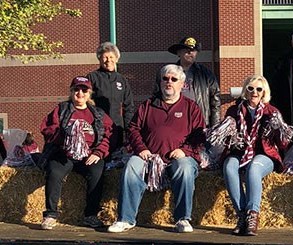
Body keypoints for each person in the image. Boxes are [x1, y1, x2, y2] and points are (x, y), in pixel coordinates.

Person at [108, 65, 205, 234]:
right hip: (149, 157)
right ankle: (125, 219)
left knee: (184, 169)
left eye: (174, 79)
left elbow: (200, 136)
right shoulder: (147, 105)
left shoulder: (191, 108)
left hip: (180, 157)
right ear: (160, 82)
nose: (169, 82)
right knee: (131, 166)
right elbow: (133, 129)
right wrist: (141, 149)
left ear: (182, 84)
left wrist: (185, 151)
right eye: (165, 78)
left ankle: (182, 219)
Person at [39, 76, 113, 230]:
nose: (80, 93)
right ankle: (51, 214)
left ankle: (90, 215)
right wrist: (65, 137)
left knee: (97, 172)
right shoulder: (62, 109)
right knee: (54, 172)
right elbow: (46, 129)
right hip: (64, 154)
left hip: (89, 154)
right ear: (71, 92)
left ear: (89, 93)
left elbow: (110, 134)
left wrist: (99, 152)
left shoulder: (98, 113)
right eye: (76, 89)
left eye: (84, 90)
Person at [222, 75, 292, 236]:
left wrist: (278, 129)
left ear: (263, 92)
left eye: (258, 89)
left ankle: (253, 215)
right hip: (241, 152)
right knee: (228, 166)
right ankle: (242, 216)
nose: (254, 92)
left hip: (264, 154)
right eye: (250, 88)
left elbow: (283, 144)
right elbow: (224, 139)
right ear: (245, 91)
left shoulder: (271, 112)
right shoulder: (234, 110)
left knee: (253, 169)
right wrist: (231, 135)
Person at [87, 42, 135, 152]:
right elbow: (86, 102)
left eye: (111, 57)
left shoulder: (122, 80)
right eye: (105, 57)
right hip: (98, 127)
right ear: (99, 59)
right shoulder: (92, 77)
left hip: (117, 127)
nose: (108, 60)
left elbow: (129, 107)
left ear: (117, 59)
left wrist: (128, 129)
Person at [166, 37, 221, 127]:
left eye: (193, 50)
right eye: (187, 50)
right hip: (174, 122)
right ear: (178, 53)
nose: (190, 53)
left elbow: (215, 102)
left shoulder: (206, 75)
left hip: (199, 123)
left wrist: (215, 127)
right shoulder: (168, 74)